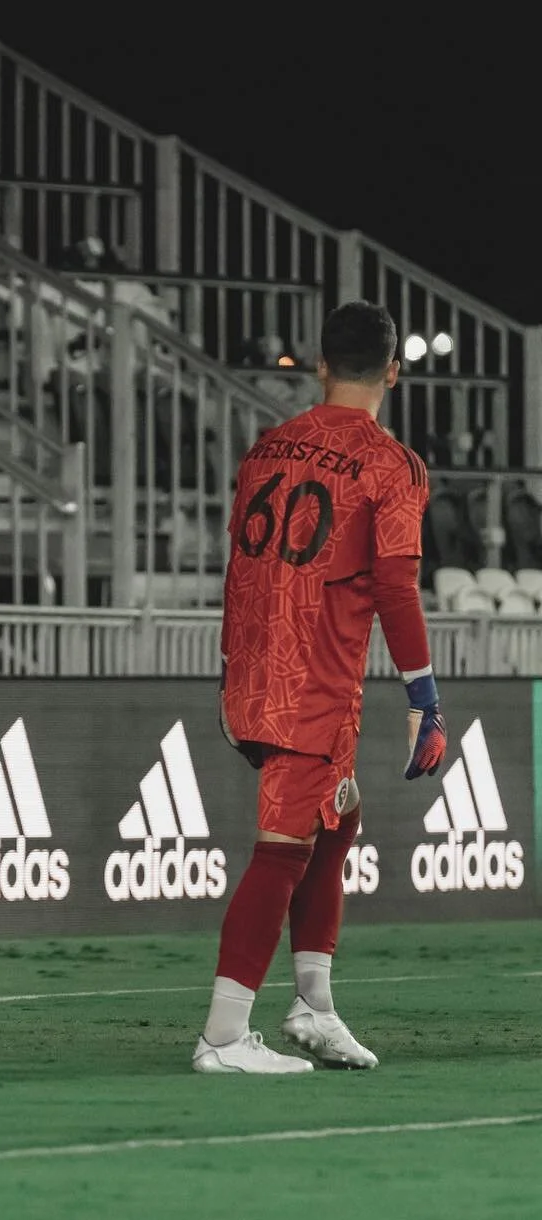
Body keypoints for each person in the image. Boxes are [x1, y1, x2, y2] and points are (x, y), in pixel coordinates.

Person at [193, 301, 447, 1076]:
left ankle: (315, 1006)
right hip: (313, 685)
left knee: (336, 823)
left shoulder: (267, 447)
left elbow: (237, 564)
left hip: (251, 671)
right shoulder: (390, 463)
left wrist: (232, 668)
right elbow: (398, 588)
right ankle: (224, 1035)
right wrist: (424, 699)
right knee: (281, 850)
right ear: (393, 371)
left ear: (320, 363)